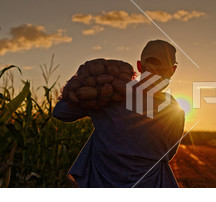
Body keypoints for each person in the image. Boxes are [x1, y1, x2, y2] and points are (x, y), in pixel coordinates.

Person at [53, 40, 185, 188]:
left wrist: (82, 82)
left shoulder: (108, 95)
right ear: (173, 70)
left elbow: (60, 112)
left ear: (139, 66)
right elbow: (168, 155)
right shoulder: (174, 110)